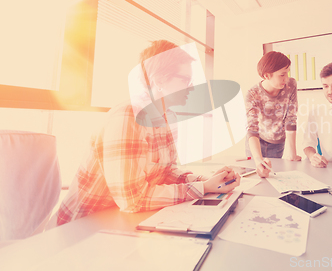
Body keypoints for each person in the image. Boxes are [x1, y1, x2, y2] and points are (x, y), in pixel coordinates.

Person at [56, 40, 240, 226]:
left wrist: (207, 180)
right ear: (158, 80)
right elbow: (132, 200)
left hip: (119, 219)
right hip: (82, 226)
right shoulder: (129, 116)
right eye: (185, 80)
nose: (192, 87)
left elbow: (165, 172)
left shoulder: (166, 116)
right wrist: (201, 188)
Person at [245, 51, 301, 178]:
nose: (286, 79)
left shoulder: (291, 85)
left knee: (274, 178)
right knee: (255, 177)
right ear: (267, 76)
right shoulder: (253, 94)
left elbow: (291, 119)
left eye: (287, 73)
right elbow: (252, 129)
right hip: (256, 142)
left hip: (277, 143)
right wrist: (258, 160)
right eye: (282, 75)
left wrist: (292, 153)